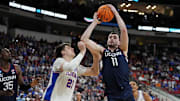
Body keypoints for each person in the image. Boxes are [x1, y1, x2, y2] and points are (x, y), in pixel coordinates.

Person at [81, 4, 135, 101]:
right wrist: (94, 22)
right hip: (111, 93)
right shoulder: (103, 52)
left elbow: (123, 30)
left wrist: (115, 12)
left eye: (115, 37)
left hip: (126, 92)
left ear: (119, 42)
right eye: (110, 37)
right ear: (107, 41)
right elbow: (84, 39)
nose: (112, 39)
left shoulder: (123, 50)